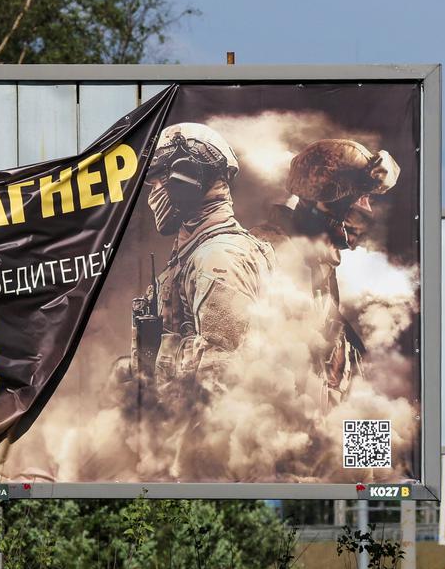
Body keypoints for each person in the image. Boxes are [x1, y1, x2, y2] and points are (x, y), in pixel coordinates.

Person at [253, 138, 399, 399]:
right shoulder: (269, 255)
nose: (367, 208)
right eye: (361, 197)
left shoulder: (318, 260)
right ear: (326, 203)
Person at [133, 121, 272, 393]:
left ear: (187, 179)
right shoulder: (194, 253)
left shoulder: (218, 259)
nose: (154, 192)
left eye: (159, 179)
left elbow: (222, 385)